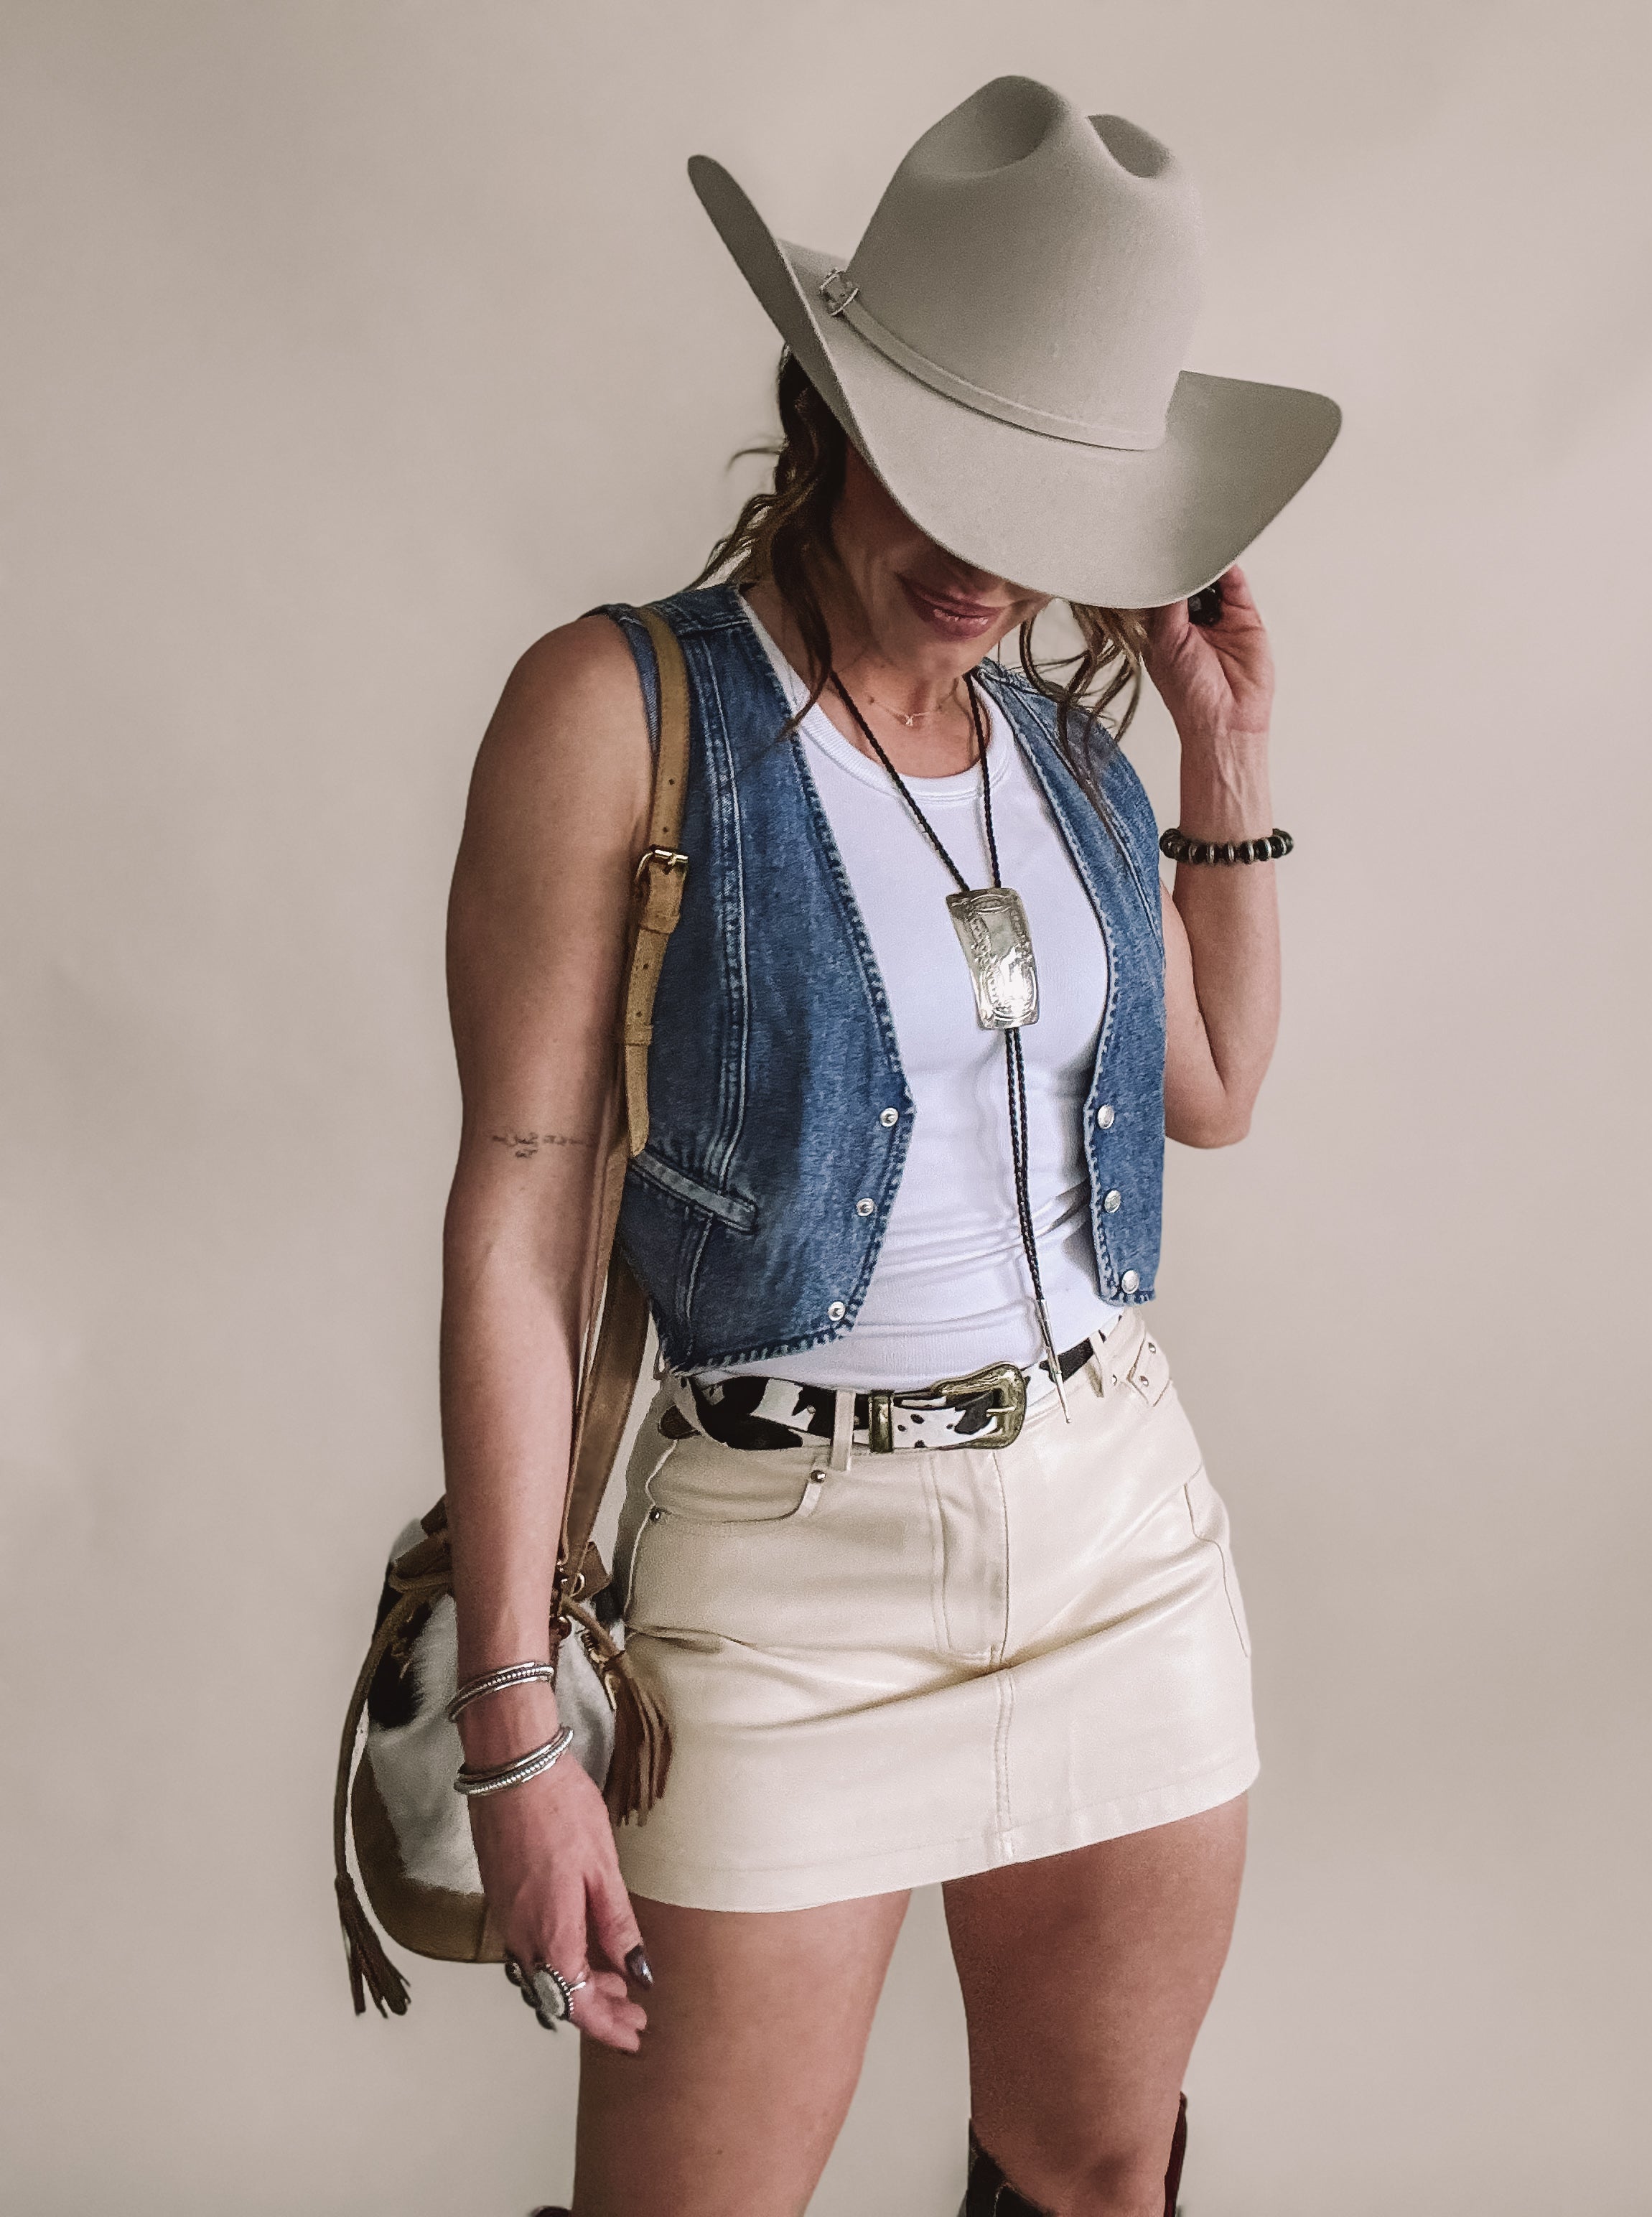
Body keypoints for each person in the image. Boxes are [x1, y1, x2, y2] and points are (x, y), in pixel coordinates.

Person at [439, 76, 1338, 2217]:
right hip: (786, 1584)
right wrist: (511, 1716)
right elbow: (518, 1215)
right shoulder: (621, 708)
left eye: (1051, 504)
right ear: (829, 404)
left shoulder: (1058, 746)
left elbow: (1210, 1083)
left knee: (1093, 2172)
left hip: (1121, 1536)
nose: (985, 558)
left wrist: (1219, 750)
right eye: (947, 469)